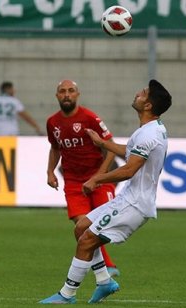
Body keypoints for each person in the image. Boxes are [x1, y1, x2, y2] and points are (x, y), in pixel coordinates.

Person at [40, 79, 172, 304]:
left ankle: (67, 294)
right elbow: (128, 151)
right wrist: (101, 143)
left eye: (142, 93)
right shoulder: (148, 130)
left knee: (87, 241)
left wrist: (98, 178)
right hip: (128, 198)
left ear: (148, 105)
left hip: (134, 204)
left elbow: (129, 169)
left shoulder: (148, 135)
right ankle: (104, 281)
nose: (137, 94)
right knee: (81, 228)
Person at [45, 79, 120, 278]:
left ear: (77, 94)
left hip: (98, 181)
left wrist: (100, 176)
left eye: (71, 91)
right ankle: (107, 268)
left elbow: (110, 146)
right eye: (62, 91)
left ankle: (103, 269)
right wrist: (50, 171)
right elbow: (55, 148)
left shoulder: (89, 118)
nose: (67, 94)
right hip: (73, 183)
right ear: (57, 96)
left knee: (103, 225)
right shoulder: (52, 122)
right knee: (84, 226)